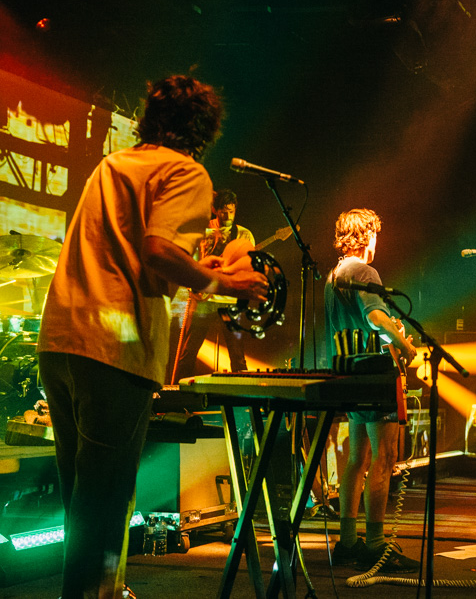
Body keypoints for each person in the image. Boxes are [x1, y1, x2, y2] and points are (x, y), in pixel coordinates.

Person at [36, 75, 268, 599]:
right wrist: (226, 280)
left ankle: (99, 591)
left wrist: (194, 270)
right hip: (114, 352)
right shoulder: (185, 171)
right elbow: (158, 250)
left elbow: (134, 258)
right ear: (204, 129)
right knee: (102, 506)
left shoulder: (112, 165)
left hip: (61, 342)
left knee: (83, 502)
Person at [324, 208, 419, 572]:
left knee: (357, 459)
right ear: (368, 236)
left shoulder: (334, 275)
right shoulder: (364, 271)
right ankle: (377, 545)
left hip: (349, 372)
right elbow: (374, 317)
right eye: (377, 235)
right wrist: (405, 346)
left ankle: (348, 542)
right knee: (385, 457)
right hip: (376, 374)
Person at [171, 189, 255, 381]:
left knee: (237, 356)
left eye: (231, 211)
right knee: (189, 352)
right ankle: (178, 396)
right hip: (203, 300)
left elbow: (249, 267)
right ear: (215, 210)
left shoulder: (243, 234)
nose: (228, 216)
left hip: (230, 300)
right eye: (224, 211)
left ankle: (239, 398)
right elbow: (188, 261)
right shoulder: (201, 230)